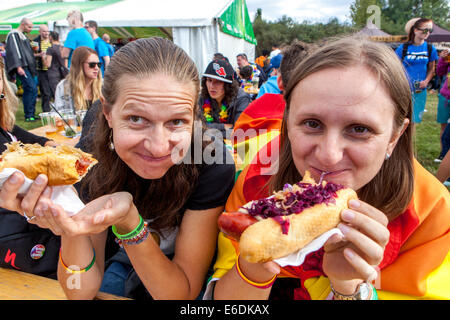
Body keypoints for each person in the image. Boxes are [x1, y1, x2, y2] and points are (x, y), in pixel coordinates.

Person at [208, 37, 450, 300]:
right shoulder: (258, 179)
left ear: (395, 136)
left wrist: (349, 288)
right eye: (312, 123)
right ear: (288, 122)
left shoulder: (433, 214)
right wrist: (253, 268)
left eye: (359, 129)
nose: (329, 155)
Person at [0, 37, 235, 300]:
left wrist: (129, 222)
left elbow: (179, 295)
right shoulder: (92, 150)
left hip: (180, 276)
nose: (158, 147)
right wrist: (70, 223)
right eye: (136, 119)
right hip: (121, 262)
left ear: (194, 116)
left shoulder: (211, 161)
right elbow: (80, 291)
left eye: (177, 121)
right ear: (108, 113)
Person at [0, 56, 59, 277]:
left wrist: (51, 145)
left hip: (29, 225)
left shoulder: (5, 127)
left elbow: (28, 137)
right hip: (17, 242)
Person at [395, 18, 439, 123]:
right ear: (415, 30)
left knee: (414, 120)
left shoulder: (430, 48)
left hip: (420, 90)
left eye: (430, 30)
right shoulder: (403, 48)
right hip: (403, 89)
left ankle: (410, 139)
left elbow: (431, 68)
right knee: (401, 119)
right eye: (425, 30)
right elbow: (395, 66)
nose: (427, 33)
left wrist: (426, 81)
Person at [199, 59, 251, 139]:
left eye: (218, 82)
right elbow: (197, 126)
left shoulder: (241, 98)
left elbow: (239, 132)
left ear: (228, 85)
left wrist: (207, 131)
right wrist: (223, 126)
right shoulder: (203, 97)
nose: (212, 86)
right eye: (209, 80)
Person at [4, 18, 38, 122]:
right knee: (30, 88)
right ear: (23, 24)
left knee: (33, 89)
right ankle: (28, 115)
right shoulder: (13, 34)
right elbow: (15, 52)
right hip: (22, 67)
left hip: (27, 67)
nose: (31, 29)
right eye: (29, 27)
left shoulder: (22, 35)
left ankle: (31, 113)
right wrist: (18, 67)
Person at [54, 46, 102, 113]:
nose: (96, 68)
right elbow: (59, 115)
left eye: (99, 64)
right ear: (79, 65)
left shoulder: (103, 86)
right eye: (92, 64)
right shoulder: (64, 87)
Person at [435, 49, 449, 162]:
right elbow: (439, 72)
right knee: (444, 125)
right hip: (445, 95)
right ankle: (443, 153)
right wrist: (442, 60)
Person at [34, 24, 52, 113]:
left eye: (47, 31)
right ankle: (46, 111)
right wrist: (39, 55)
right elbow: (30, 55)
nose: (46, 33)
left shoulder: (52, 40)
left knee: (52, 90)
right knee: (45, 92)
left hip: (52, 70)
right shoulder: (35, 42)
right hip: (41, 70)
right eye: (44, 31)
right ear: (40, 32)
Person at [44, 31, 67, 99]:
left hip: (53, 73)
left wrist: (43, 57)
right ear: (58, 38)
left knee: (56, 94)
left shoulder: (50, 49)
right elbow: (66, 61)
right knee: (64, 94)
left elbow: (48, 64)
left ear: (50, 37)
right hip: (63, 73)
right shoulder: (63, 48)